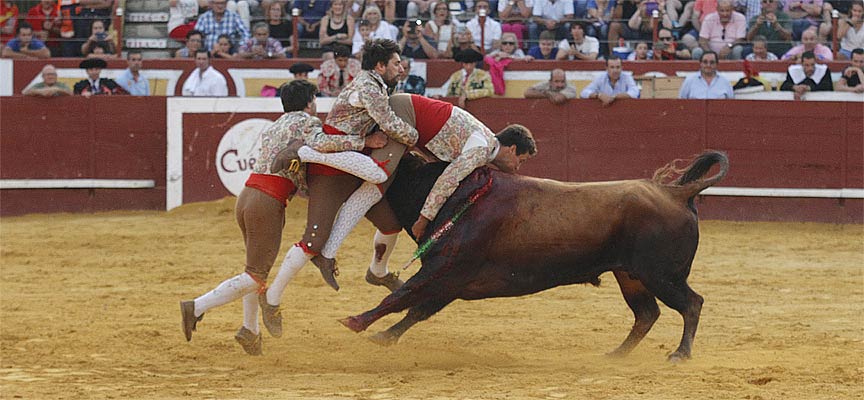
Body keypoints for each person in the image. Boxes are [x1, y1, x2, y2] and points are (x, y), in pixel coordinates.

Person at [180, 79, 393, 355]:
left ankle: (250, 330)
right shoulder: (308, 123)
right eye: (314, 99)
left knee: (254, 269)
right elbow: (325, 144)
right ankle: (196, 307)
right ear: (309, 102)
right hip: (268, 201)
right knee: (255, 275)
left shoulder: (274, 126)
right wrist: (365, 141)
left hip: (247, 196)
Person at [309, 93, 537, 284]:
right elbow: (448, 180)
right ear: (511, 149)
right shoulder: (481, 149)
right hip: (403, 115)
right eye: (521, 160)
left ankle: (377, 271)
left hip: (409, 126)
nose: (517, 168)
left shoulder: (484, 140)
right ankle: (310, 152)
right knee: (375, 180)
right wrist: (424, 219)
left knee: (387, 215)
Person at [262, 38, 418, 309]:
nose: (401, 68)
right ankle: (271, 298)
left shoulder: (376, 84)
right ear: (380, 66)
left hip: (353, 163)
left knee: (391, 224)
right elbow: (390, 124)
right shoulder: (368, 86)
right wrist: (417, 137)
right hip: (330, 168)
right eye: (395, 63)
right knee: (313, 241)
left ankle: (378, 272)